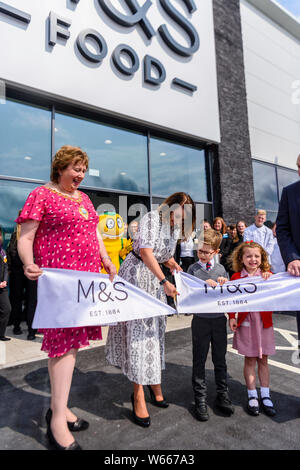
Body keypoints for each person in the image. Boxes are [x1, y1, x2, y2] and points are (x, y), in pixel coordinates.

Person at [16, 145, 117, 451]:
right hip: (60, 284)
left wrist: (107, 260)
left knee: (71, 346)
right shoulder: (41, 194)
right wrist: (27, 262)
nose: (80, 175)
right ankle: (57, 419)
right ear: (60, 168)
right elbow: (26, 236)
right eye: (75, 169)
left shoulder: (84, 198)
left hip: (85, 282)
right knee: (63, 348)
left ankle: (60, 408)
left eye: (83, 170)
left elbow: (95, 234)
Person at [106, 192, 195, 427]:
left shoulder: (175, 228)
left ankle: (153, 380)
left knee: (154, 334)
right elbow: (145, 252)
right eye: (178, 211)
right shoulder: (151, 219)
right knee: (138, 336)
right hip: (136, 278)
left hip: (155, 280)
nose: (180, 217)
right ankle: (137, 394)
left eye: (185, 214)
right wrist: (164, 281)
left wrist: (174, 266)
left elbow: (162, 256)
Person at [187, 229, 234, 421]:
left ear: (215, 252)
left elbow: (230, 292)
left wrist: (224, 282)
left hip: (218, 320)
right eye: (200, 251)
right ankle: (200, 399)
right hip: (200, 321)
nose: (202, 254)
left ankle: (222, 396)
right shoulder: (192, 270)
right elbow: (188, 292)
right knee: (199, 360)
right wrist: (200, 284)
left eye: (207, 252)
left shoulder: (221, 270)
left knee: (220, 359)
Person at [228, 241, 276, 417]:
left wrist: (269, 277)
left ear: (262, 257)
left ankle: (265, 394)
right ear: (241, 258)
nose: (253, 259)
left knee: (263, 360)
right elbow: (230, 299)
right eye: (248, 256)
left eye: (256, 256)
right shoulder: (236, 278)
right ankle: (252, 394)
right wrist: (231, 316)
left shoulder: (268, 275)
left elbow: (278, 291)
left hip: (264, 324)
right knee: (250, 360)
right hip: (247, 323)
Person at [276, 153, 300, 351]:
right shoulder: (289, 192)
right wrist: (292, 258)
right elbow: (282, 229)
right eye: (299, 166)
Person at [6, 216, 38, 340]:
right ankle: (31, 331)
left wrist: (11, 267)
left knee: (16, 299)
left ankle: (16, 327)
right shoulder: (34, 235)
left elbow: (10, 252)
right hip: (32, 269)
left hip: (17, 271)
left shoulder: (16, 236)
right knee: (31, 301)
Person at [0, 227, 11, 341]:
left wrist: (5, 280)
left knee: (6, 309)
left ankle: (1, 334)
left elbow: (6, 266)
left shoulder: (2, 251)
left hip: (2, 287)